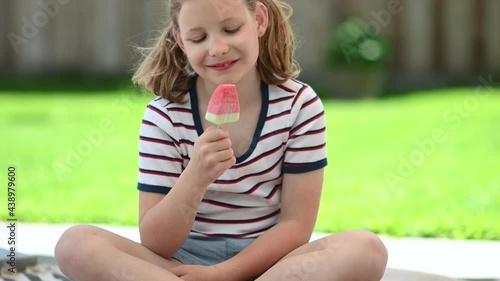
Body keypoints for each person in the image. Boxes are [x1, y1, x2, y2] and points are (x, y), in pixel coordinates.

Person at [54, 0, 388, 280]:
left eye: (230, 29)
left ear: (258, 20)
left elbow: (296, 224)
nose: (217, 48)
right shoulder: (165, 115)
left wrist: (224, 275)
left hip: (269, 266)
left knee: (365, 249)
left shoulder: (300, 105)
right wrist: (196, 176)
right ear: (181, 41)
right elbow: (156, 242)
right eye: (198, 37)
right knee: (76, 243)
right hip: (178, 267)